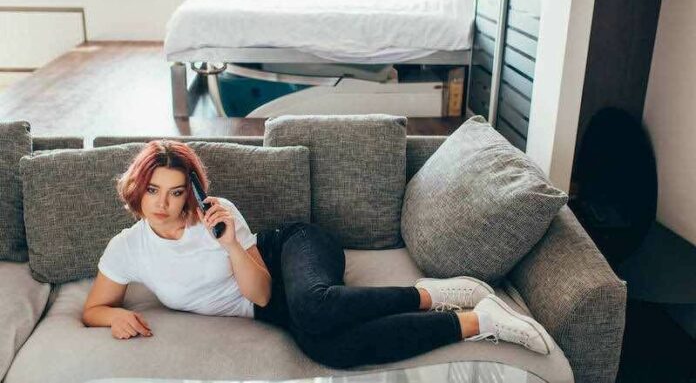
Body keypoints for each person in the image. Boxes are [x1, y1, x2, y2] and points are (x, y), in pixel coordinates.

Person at [82, 140, 555, 368]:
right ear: (137, 190)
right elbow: (94, 308)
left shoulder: (217, 216)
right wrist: (113, 317)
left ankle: (433, 295)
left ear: (192, 192)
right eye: (153, 191)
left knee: (313, 304)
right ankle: (478, 321)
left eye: (176, 192)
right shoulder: (128, 248)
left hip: (294, 248)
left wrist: (228, 244)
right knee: (331, 349)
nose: (163, 204)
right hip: (274, 309)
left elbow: (261, 292)